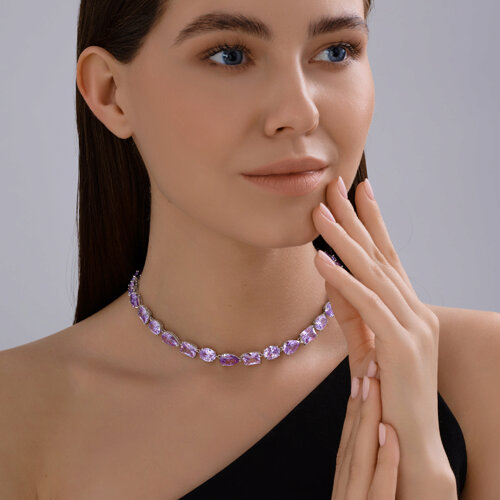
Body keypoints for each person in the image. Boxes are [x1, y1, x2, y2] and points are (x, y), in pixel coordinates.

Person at [0, 0, 498, 498]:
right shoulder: (17, 415)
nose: (300, 113)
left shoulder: (482, 375)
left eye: (337, 51)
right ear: (111, 93)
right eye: (230, 55)